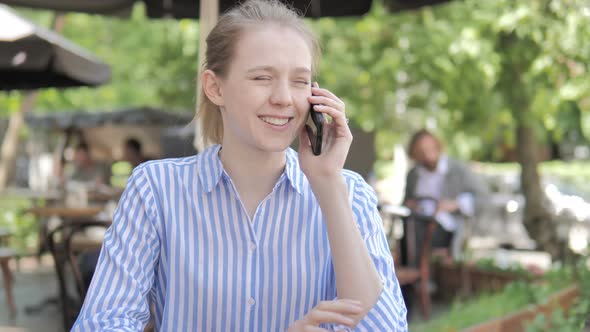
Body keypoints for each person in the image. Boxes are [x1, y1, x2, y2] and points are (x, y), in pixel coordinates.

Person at [71, 1, 407, 331]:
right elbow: (102, 323)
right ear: (215, 87)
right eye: (262, 77)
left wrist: (328, 184)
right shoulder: (157, 188)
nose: (284, 98)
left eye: (300, 81)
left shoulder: (349, 193)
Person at [403, 129, 488, 261]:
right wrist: (411, 204)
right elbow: (406, 201)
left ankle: (419, 273)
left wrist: (455, 204)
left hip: (446, 226)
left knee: (419, 235)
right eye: (421, 151)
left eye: (429, 148)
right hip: (417, 222)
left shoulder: (457, 169)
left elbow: (483, 196)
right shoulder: (414, 174)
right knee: (408, 232)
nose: (426, 154)